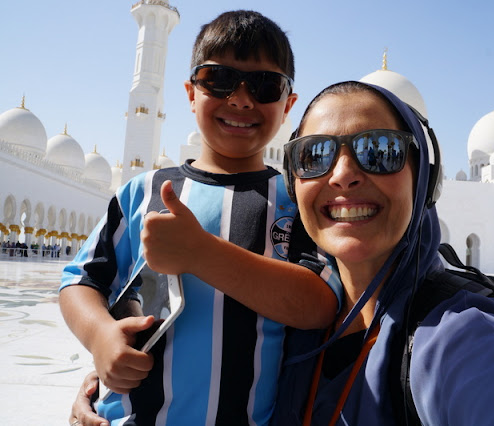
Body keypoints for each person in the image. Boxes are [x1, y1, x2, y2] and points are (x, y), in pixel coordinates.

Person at [70, 80, 494, 425]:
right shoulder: (308, 307)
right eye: (316, 155)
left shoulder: (451, 336)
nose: (345, 175)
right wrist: (108, 371)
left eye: (380, 151)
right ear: (292, 186)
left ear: (423, 176)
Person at [60, 10, 340, 426]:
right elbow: (80, 281)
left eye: (265, 86)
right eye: (219, 80)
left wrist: (201, 253)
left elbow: (318, 304)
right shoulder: (144, 191)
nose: (241, 99)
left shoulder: (294, 201)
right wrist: (99, 335)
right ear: (191, 93)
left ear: (288, 106)